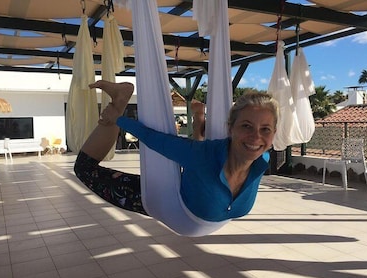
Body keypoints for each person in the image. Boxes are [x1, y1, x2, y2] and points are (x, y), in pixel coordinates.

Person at [74, 80, 278, 234]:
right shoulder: (202, 155)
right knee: (84, 169)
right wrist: (116, 119)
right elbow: (153, 138)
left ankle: (198, 118)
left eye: (265, 129)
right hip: (171, 204)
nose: (256, 137)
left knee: (199, 162)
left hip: (195, 190)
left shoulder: (262, 160)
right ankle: (120, 101)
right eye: (247, 126)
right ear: (231, 128)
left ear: (274, 134)